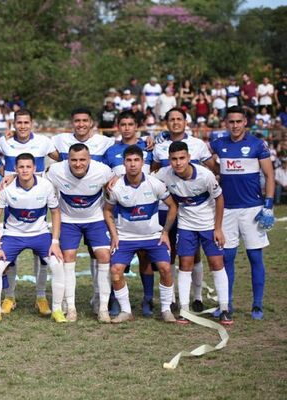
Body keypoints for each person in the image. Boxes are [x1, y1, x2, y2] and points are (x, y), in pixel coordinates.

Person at [0, 153, 66, 324]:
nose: (25, 170)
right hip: (13, 235)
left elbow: (56, 212)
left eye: (28, 167)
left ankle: (57, 310)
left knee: (57, 265)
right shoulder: (7, 188)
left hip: (40, 234)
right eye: (21, 167)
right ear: (15, 169)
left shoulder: (45, 186)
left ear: (35, 169)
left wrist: (55, 242)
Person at [209, 106, 275, 320]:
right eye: (231, 122)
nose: (235, 125)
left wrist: (268, 205)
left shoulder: (257, 144)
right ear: (226, 123)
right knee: (227, 258)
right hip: (226, 211)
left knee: (255, 257)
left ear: (245, 122)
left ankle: (257, 305)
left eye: (239, 121)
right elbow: (200, 155)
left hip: (252, 210)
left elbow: (270, 175)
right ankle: (226, 304)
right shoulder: (219, 144)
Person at [156, 141, 232, 325]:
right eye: (174, 159)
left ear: (189, 158)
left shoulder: (205, 175)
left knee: (216, 262)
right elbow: (144, 177)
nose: (178, 162)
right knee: (185, 264)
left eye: (182, 158)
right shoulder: (164, 174)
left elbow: (220, 198)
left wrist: (218, 228)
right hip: (186, 225)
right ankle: (184, 310)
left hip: (208, 224)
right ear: (169, 160)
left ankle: (224, 308)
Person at [103, 145, 177, 323]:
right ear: (124, 163)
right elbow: (107, 211)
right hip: (126, 238)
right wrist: (114, 235)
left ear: (143, 163)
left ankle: (166, 309)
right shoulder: (116, 187)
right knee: (115, 271)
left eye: (136, 160)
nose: (133, 164)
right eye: (129, 160)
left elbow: (173, 206)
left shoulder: (155, 184)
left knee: (166, 268)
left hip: (152, 237)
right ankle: (126, 311)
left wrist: (165, 232)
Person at [0, 109, 57, 316]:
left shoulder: (43, 142)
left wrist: (49, 174)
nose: (22, 126)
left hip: (38, 196)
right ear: (14, 124)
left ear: (32, 123)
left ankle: (41, 297)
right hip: (15, 197)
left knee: (42, 257)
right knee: (11, 254)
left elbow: (62, 157)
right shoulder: (5, 142)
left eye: (26, 122)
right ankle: (9, 296)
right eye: (18, 122)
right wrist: (7, 175)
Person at [46, 143, 114, 323]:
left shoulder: (103, 170)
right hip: (68, 221)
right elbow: (38, 177)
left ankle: (103, 308)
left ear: (90, 159)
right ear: (67, 160)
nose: (78, 164)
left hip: (95, 219)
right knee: (68, 257)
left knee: (104, 256)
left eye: (82, 159)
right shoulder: (55, 170)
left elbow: (114, 182)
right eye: (73, 160)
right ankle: (71, 307)